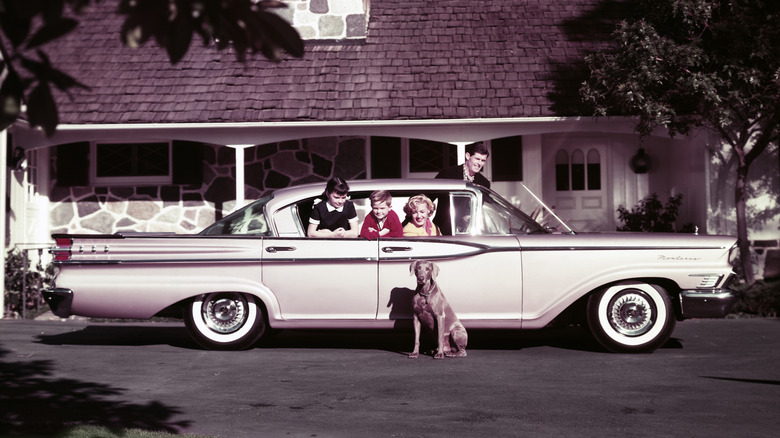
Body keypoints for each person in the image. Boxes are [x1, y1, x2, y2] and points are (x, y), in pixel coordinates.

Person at [433, 141, 491, 235]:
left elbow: (479, 208)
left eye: (483, 160)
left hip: (468, 232)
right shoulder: (447, 174)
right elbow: (426, 198)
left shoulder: (484, 183)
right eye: (477, 159)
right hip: (443, 231)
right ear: (468, 156)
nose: (479, 163)